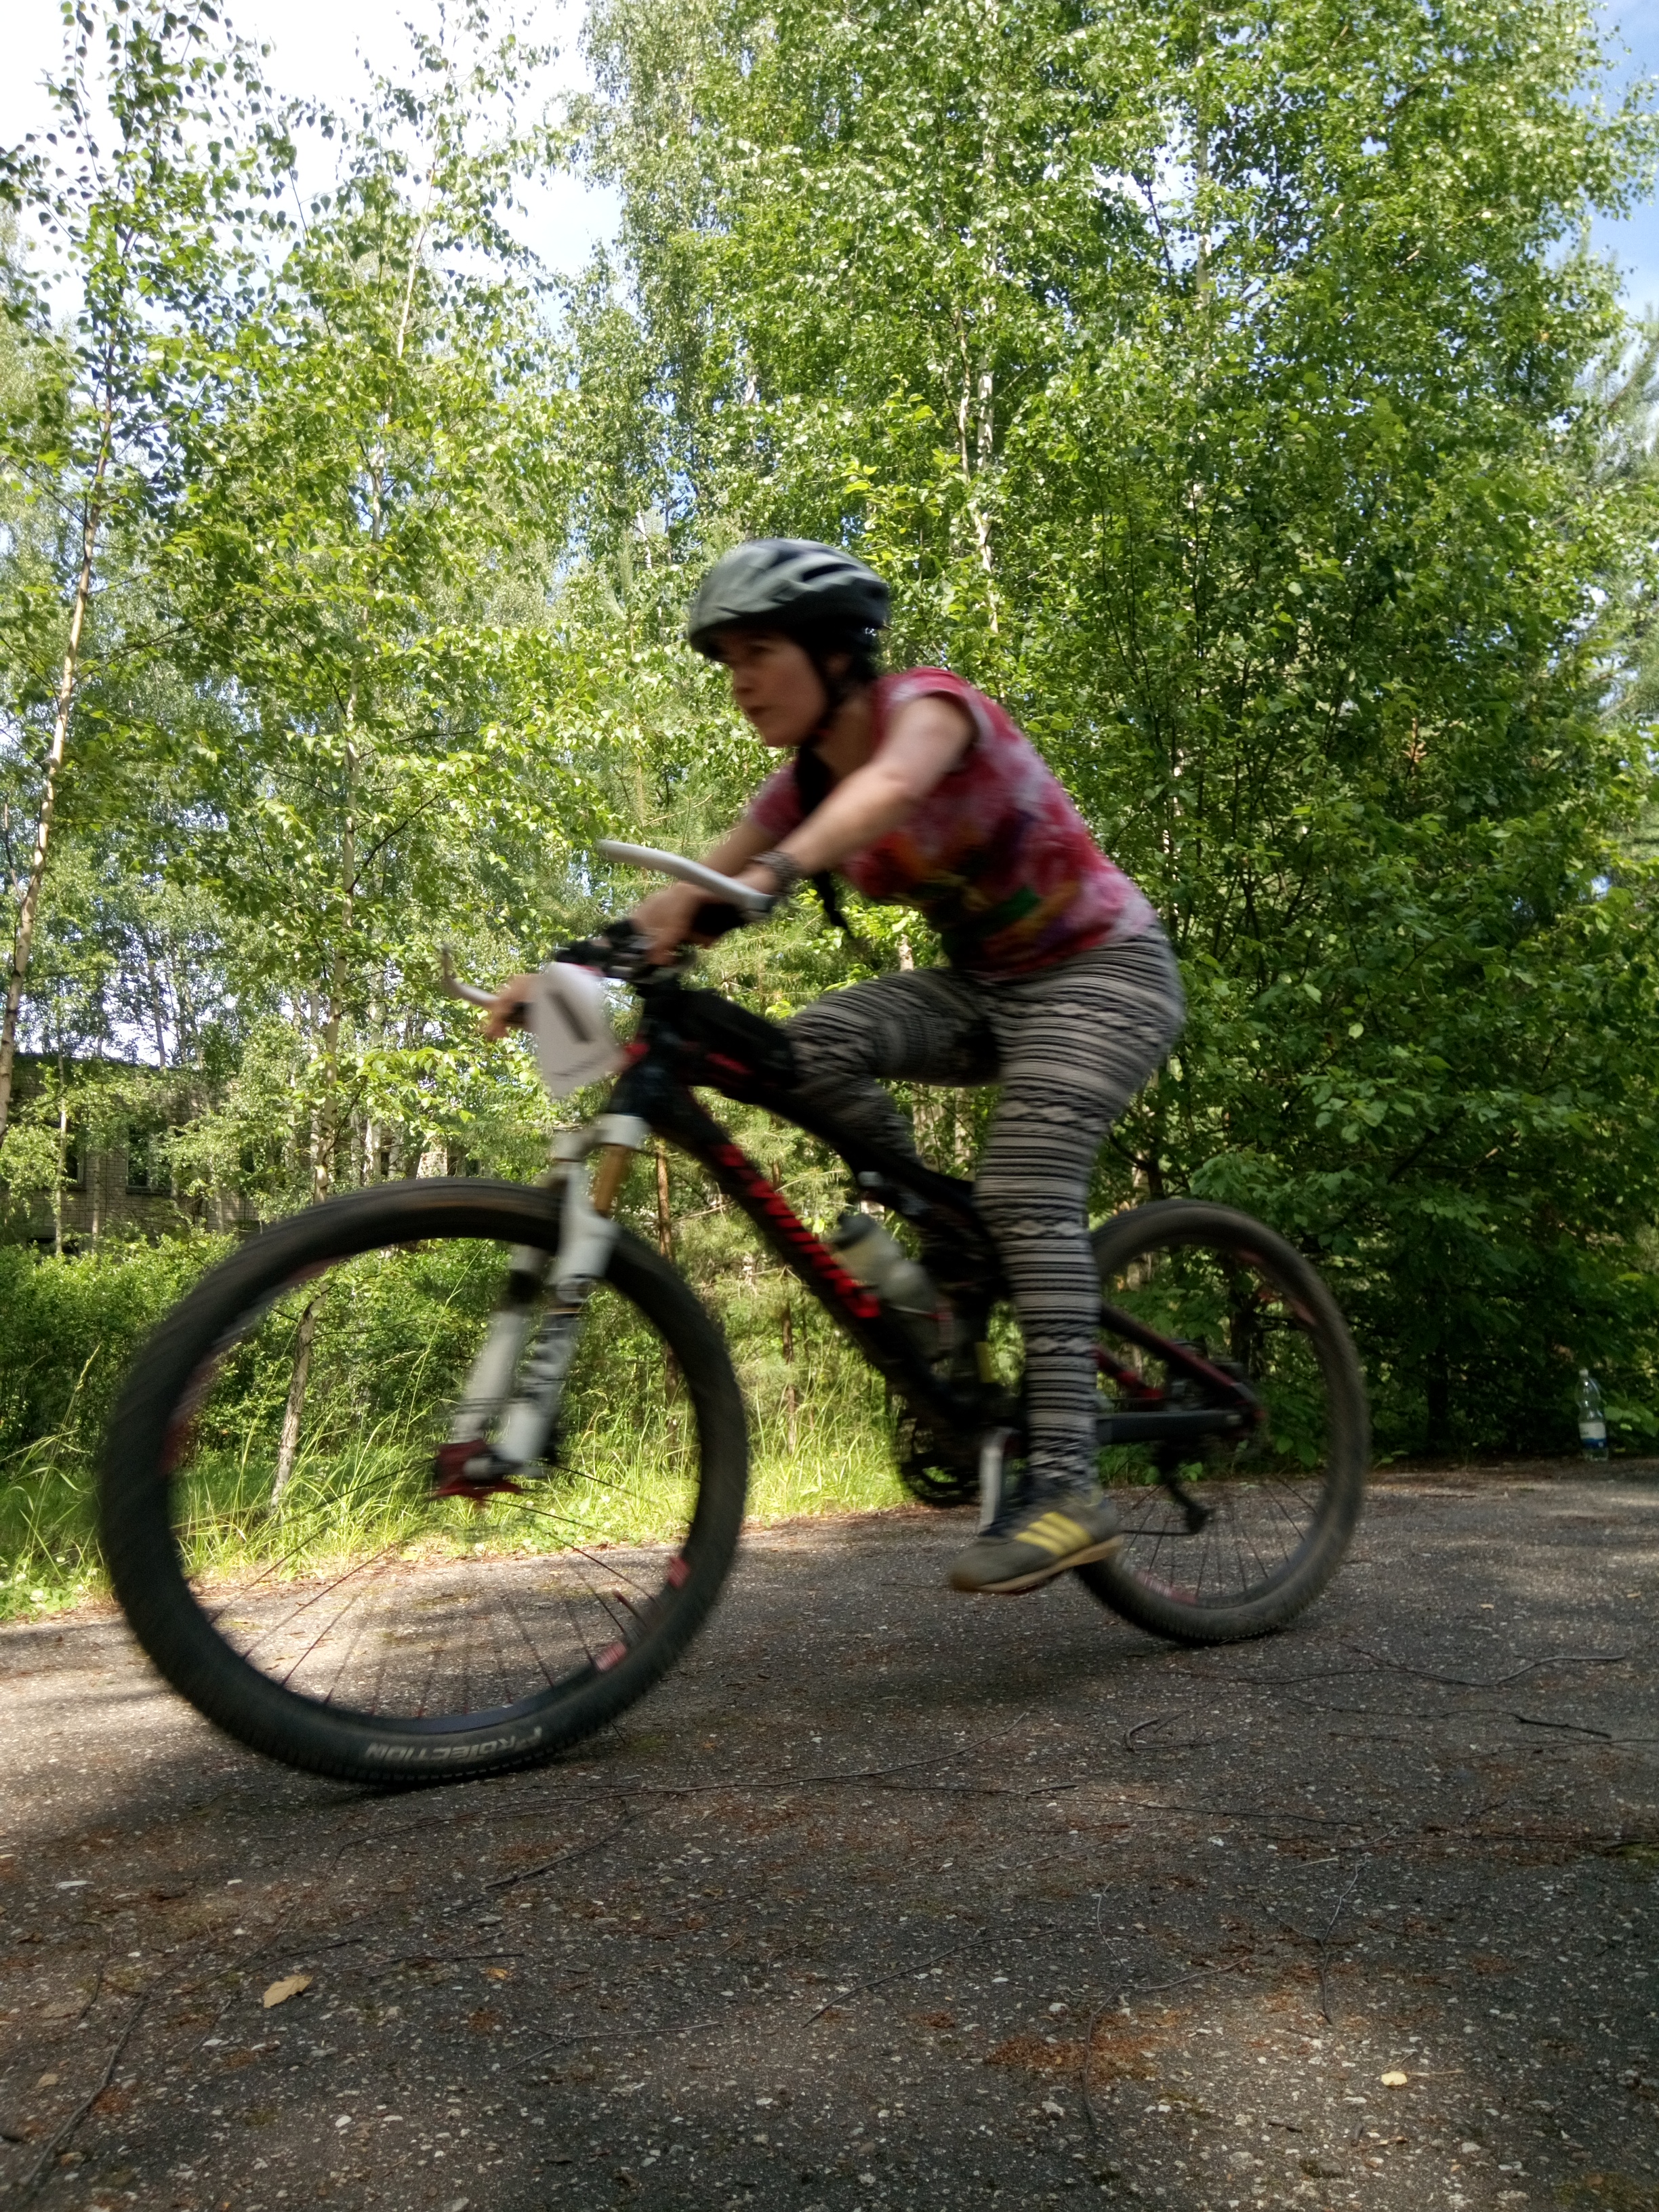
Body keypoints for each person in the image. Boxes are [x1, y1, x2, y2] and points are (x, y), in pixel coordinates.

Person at [491, 539, 1185, 1595]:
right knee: (802, 1053)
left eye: (759, 653)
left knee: (1023, 1186)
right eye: (727, 662)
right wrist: (569, 968)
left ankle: (1069, 1484)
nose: (740, 681)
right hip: (984, 991)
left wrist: (778, 869)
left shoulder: (932, 709)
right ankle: (946, 1254)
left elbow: (891, 789)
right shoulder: (801, 787)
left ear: (833, 653)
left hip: (1105, 974)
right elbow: (692, 888)